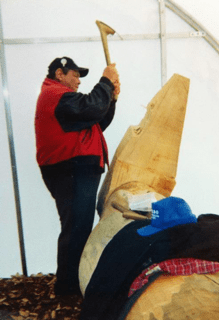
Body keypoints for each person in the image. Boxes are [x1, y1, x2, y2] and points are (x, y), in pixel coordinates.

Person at [35, 56, 120, 296]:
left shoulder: (64, 100)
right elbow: (91, 107)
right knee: (76, 226)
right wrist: (106, 80)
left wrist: (111, 97)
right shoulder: (56, 95)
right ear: (59, 74)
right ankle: (69, 287)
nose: (79, 81)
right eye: (75, 74)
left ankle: (71, 283)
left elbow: (97, 119)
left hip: (75, 167)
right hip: (70, 168)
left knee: (78, 225)